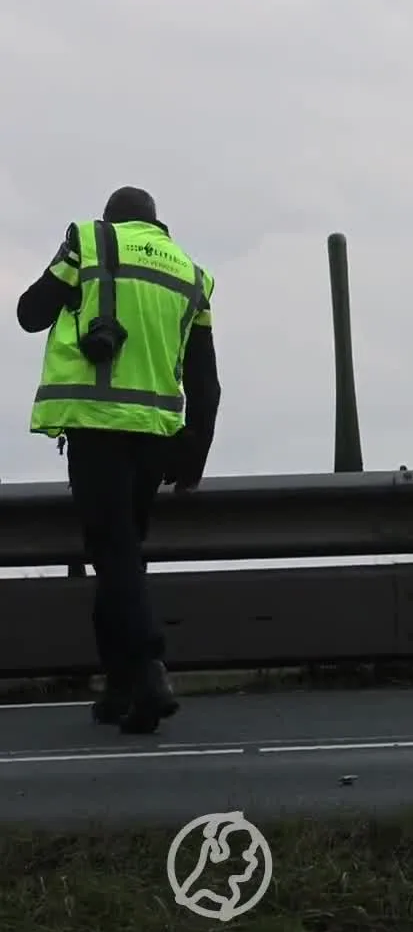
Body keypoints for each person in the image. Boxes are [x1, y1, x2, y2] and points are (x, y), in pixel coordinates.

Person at [15, 186, 222, 734]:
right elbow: (206, 382)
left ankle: (150, 666)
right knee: (119, 551)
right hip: (156, 434)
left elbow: (30, 314)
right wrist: (193, 456)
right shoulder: (192, 275)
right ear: (158, 225)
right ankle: (121, 688)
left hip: (97, 427)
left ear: (112, 220)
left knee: (114, 548)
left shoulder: (89, 243)